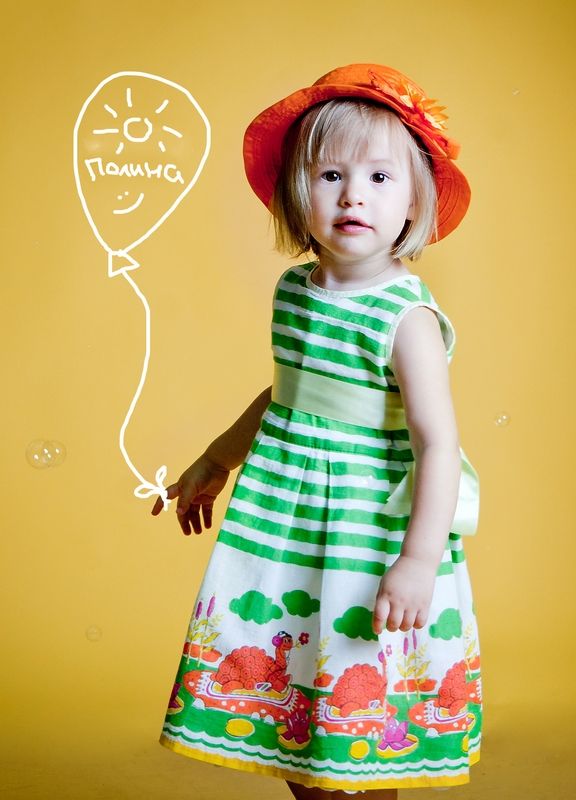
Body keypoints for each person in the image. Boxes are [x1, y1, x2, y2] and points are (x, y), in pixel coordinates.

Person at [153, 64, 481, 798]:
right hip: (290, 521)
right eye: (330, 175)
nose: (353, 195)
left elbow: (438, 443)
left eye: (379, 178)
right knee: (298, 719)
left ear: (415, 201)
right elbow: (290, 393)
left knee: (361, 707)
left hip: (367, 530)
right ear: (296, 196)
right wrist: (217, 458)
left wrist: (418, 559)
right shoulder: (294, 292)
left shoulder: (406, 316)